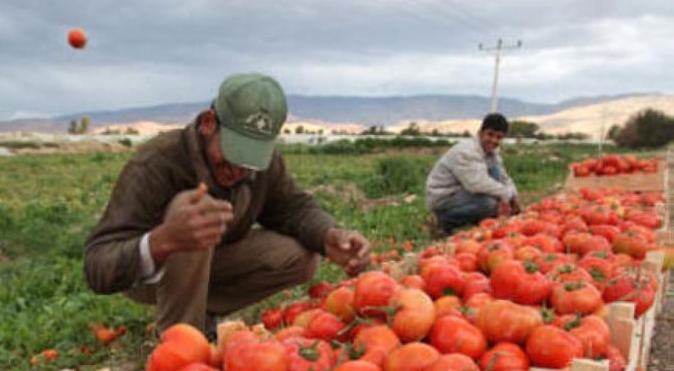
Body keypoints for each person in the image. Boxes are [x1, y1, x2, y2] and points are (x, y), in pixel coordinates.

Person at [83, 72, 372, 337]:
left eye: (250, 160)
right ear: (209, 122)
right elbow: (98, 265)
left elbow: (292, 207)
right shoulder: (156, 163)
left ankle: (203, 312)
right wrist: (163, 240)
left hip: (215, 262)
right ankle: (181, 340)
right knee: (194, 208)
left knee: (298, 256)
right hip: (152, 274)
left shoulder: (259, 164)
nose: (238, 171)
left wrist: (329, 235)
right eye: (232, 154)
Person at [425, 112, 521, 236]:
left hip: (465, 193)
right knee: (488, 204)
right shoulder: (466, 151)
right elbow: (476, 184)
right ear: (481, 132)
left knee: (496, 173)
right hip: (445, 196)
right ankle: (442, 221)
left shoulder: (492, 152)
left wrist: (513, 197)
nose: (493, 140)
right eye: (490, 135)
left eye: (498, 137)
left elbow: (504, 177)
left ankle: (478, 221)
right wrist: (505, 195)